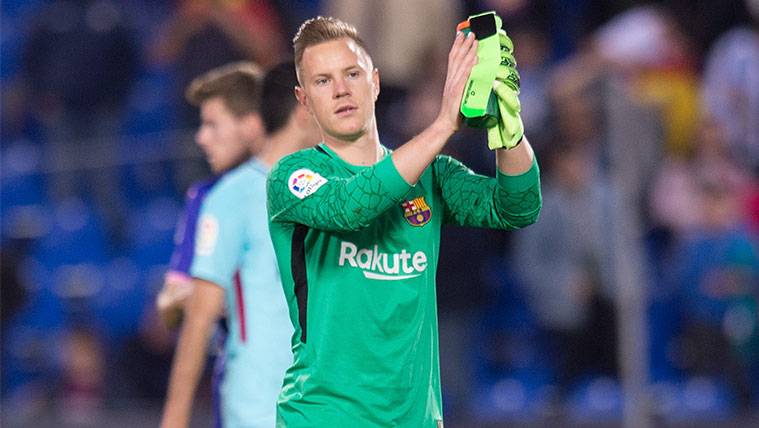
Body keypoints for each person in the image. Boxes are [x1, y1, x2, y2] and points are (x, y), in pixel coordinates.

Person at [266, 16, 542, 427]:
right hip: (324, 417)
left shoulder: (432, 176)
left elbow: (517, 207)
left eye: (352, 74)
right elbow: (351, 206)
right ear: (303, 101)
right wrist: (445, 123)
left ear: (375, 83)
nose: (341, 89)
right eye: (322, 81)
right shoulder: (293, 176)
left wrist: (510, 132)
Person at [160, 61, 319, 428]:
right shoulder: (221, 198)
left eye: (212, 124)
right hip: (258, 403)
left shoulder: (334, 190)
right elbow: (187, 312)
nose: (201, 137)